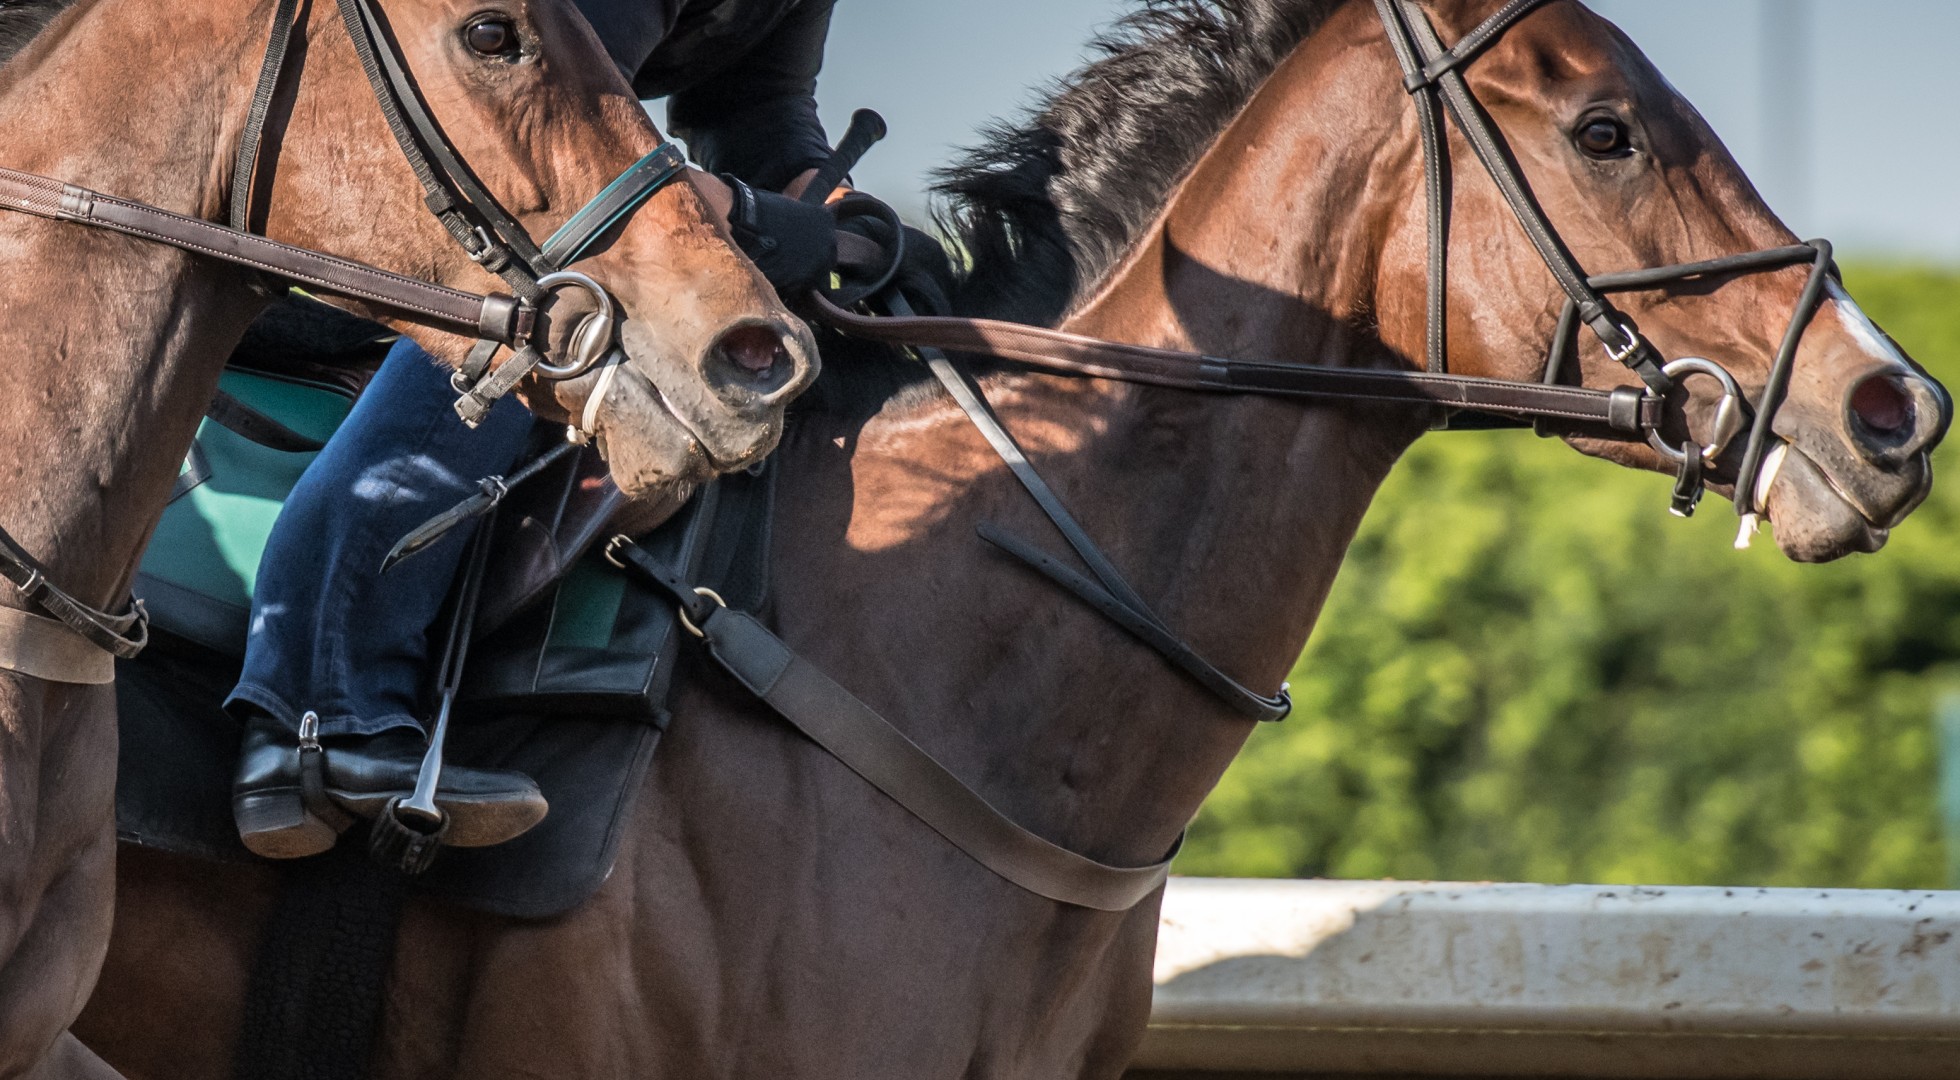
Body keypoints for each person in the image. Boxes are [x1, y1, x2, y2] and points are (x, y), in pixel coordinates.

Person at [230, 0, 847, 859]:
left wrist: (819, 204)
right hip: (399, 181)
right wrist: (749, 215)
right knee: (549, 319)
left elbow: (757, 109)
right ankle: (318, 711)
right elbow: (552, 107)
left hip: (541, 185)